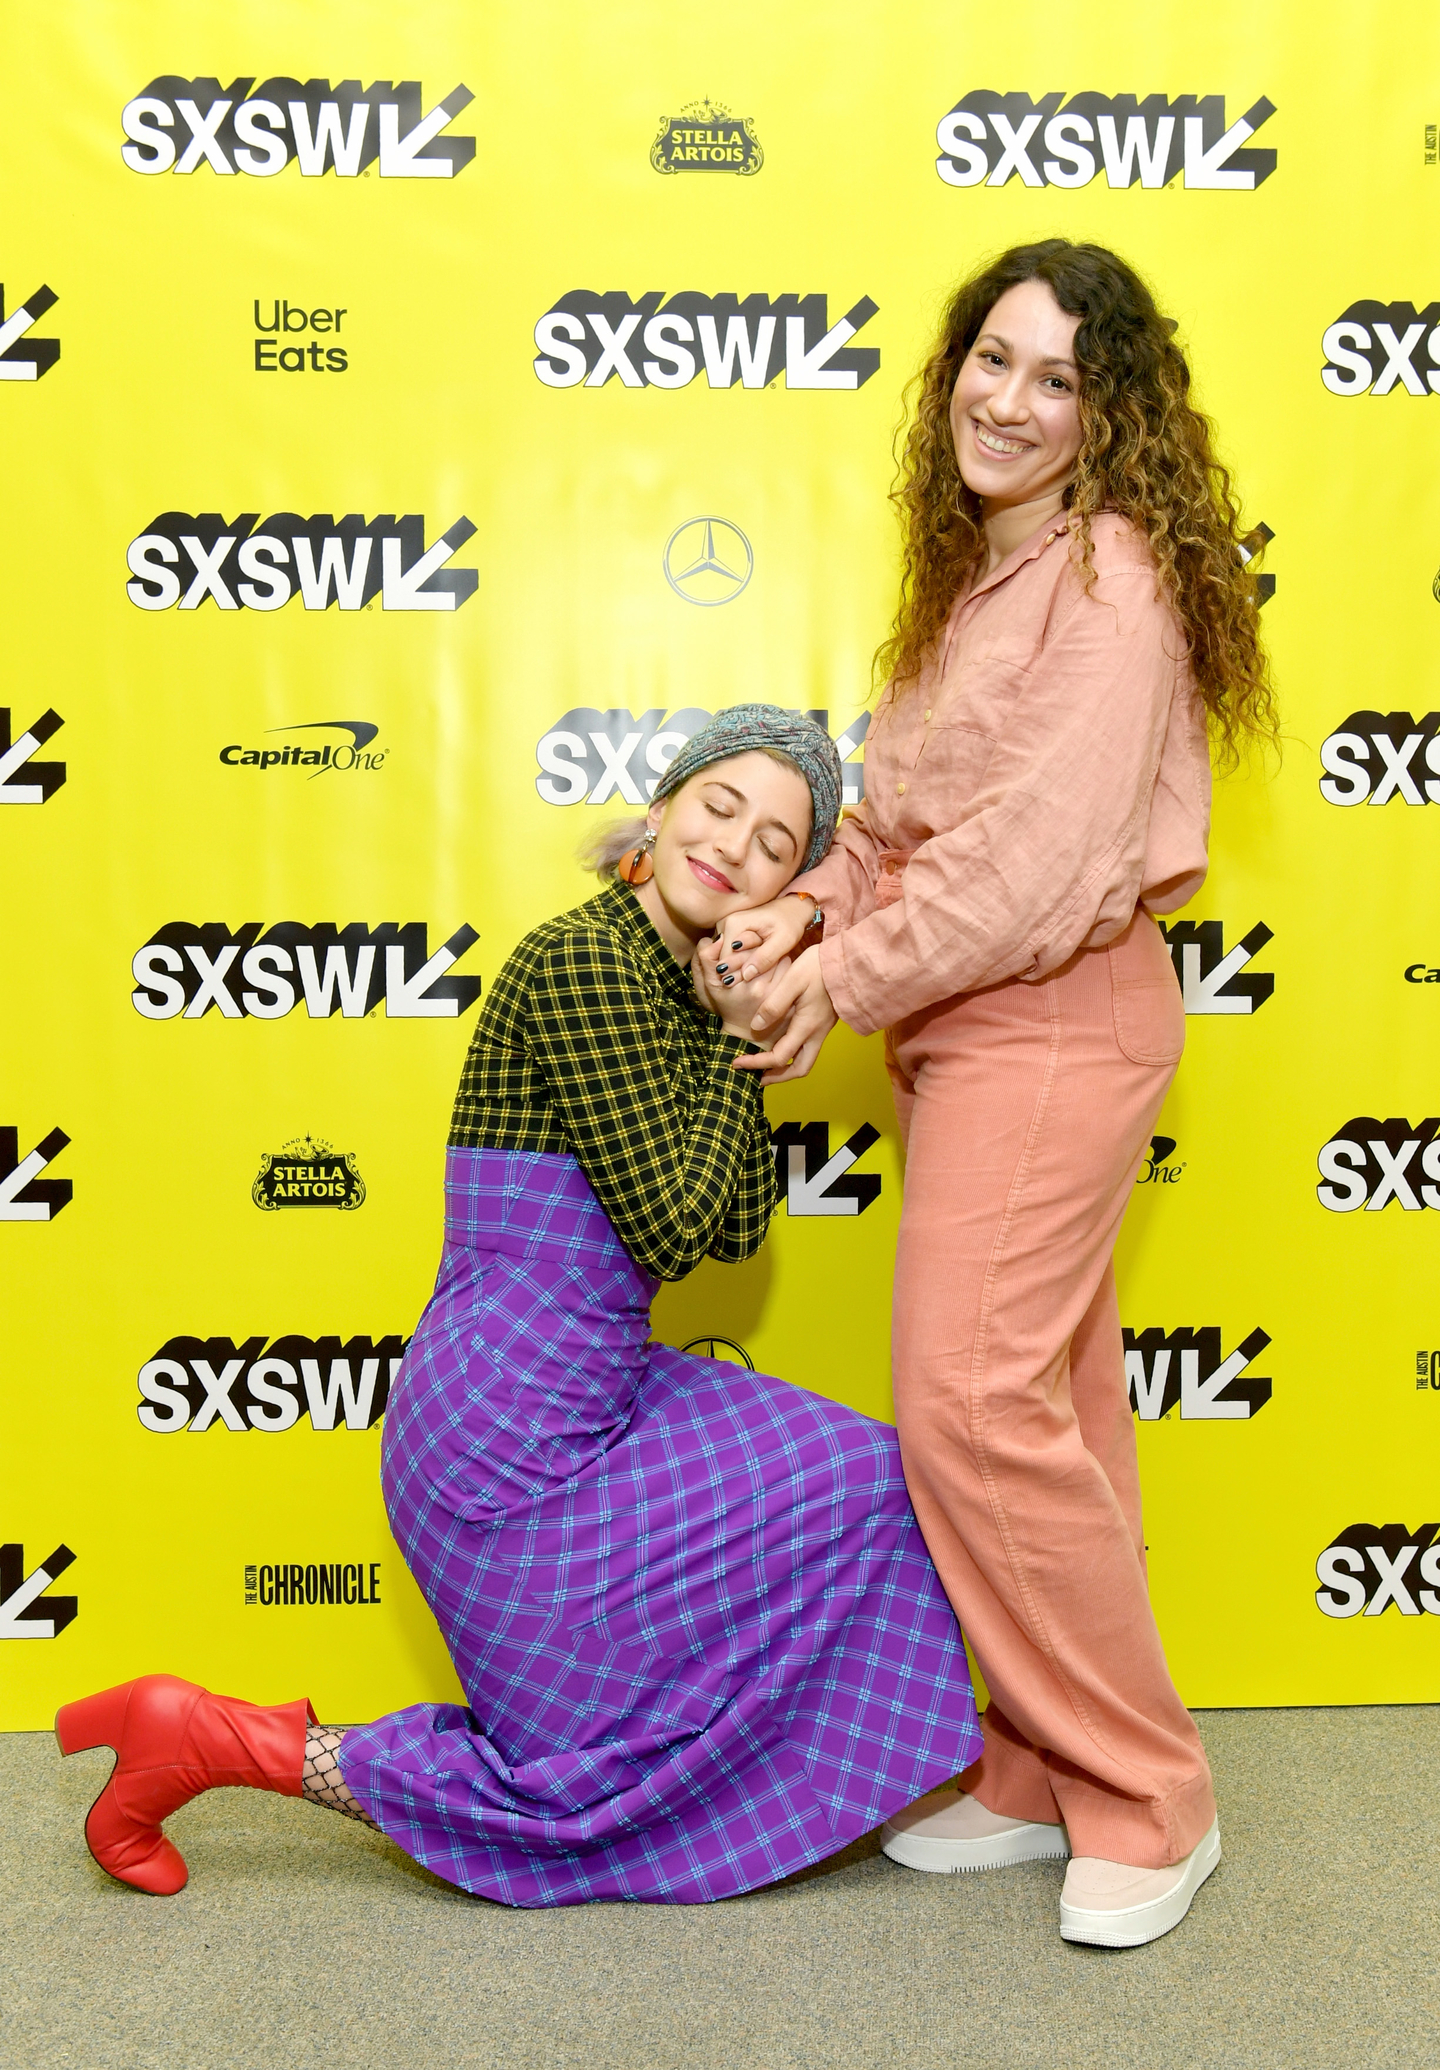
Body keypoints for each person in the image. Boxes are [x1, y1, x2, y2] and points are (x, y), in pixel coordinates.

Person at [56, 706, 980, 1907]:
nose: (735, 847)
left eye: (775, 842)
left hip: (606, 1395)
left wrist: (731, 1025)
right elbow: (672, 1226)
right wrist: (737, 1034)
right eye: (719, 805)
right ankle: (216, 1739)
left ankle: (929, 1769)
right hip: (502, 1438)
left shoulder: (678, 981)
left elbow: (737, 1228)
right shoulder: (585, 958)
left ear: (792, 885)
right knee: (565, 1797)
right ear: (660, 807)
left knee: (871, 1482)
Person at [703, 242, 1276, 1948]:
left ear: (1114, 426)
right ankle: (1036, 1771)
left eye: (1056, 381)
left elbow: (1031, 869)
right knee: (1058, 1412)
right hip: (969, 1032)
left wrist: (836, 983)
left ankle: (1154, 1792)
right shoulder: (973, 582)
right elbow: (898, 834)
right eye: (992, 359)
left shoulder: (1112, 581)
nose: (1008, 401)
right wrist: (805, 908)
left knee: (966, 1405)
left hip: (1047, 1022)